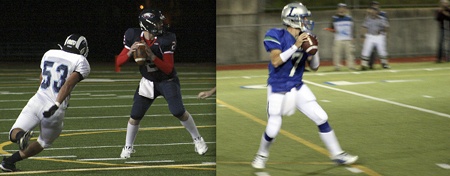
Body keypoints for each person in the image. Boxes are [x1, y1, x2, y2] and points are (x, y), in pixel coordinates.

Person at [251, 2, 358, 169]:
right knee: (273, 128)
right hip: (278, 86)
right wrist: (296, 46)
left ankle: (337, 154)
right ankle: (261, 155)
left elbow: (314, 67)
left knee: (321, 116)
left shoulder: (306, 36)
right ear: (292, 19)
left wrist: (314, 50)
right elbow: (276, 61)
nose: (306, 21)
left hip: (297, 85)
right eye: (303, 18)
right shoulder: (275, 34)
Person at [115, 9, 208, 158]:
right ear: (148, 25)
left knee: (178, 111)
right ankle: (128, 147)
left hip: (167, 81)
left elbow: (168, 68)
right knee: (135, 115)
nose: (161, 25)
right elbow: (118, 62)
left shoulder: (167, 39)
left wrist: (151, 56)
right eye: (158, 22)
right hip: (148, 81)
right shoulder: (132, 35)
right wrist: (129, 52)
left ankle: (198, 139)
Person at [0, 34, 90, 172]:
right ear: (82, 48)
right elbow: (67, 85)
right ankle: (10, 161)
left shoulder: (49, 53)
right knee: (43, 142)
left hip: (37, 99)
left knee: (13, 133)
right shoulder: (81, 60)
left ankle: (20, 138)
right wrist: (58, 104)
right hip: (53, 109)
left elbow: (42, 78)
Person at [325, 3, 356, 71]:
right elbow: (331, 28)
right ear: (338, 9)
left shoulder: (349, 18)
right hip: (338, 39)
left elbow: (353, 28)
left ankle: (351, 66)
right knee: (337, 53)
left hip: (348, 38)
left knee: (350, 53)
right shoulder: (334, 18)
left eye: (343, 8)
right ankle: (337, 67)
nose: (342, 9)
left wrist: (353, 37)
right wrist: (333, 30)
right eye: (340, 8)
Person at [367, 1, 389, 69]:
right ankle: (370, 64)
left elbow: (386, 24)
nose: (375, 7)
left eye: (376, 5)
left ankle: (384, 63)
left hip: (381, 34)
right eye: (373, 6)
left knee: (382, 50)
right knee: (371, 50)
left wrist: (386, 32)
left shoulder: (383, 14)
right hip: (372, 34)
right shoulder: (369, 15)